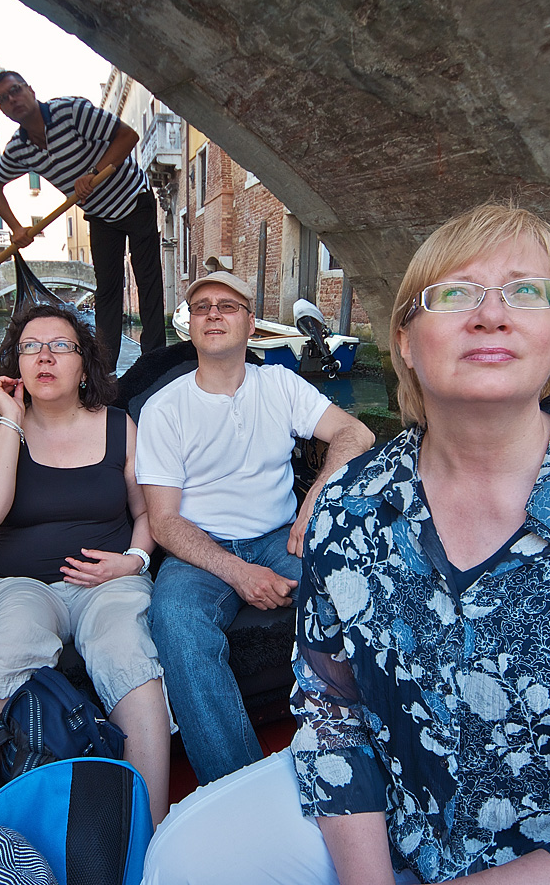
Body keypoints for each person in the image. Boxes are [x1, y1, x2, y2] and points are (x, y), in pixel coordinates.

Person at [142, 203, 550, 884]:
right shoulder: (350, 506)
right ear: (406, 343)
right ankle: (221, 771)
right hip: (214, 554)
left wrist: (310, 501)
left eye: (526, 291)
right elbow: (334, 711)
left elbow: (351, 432)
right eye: (454, 294)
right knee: (184, 847)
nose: (491, 314)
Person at [136, 271, 375, 785]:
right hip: (199, 550)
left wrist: (315, 496)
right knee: (175, 619)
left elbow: (355, 433)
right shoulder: (164, 408)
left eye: (227, 305)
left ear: (250, 324)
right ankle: (237, 785)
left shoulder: (280, 384)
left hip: (279, 536)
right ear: (190, 326)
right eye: (202, 307)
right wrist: (239, 573)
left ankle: (369, 747)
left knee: (354, 587)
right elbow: (164, 521)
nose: (213, 313)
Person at [0, 302, 170, 825]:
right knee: (5, 648)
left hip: (109, 584)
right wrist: (12, 422)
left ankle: (152, 831)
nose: (44, 357)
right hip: (23, 585)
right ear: (17, 365)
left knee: (126, 651)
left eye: (60, 347)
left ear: (83, 366)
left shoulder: (118, 426)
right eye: (31, 347)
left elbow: (147, 513)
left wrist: (133, 561)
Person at [0, 72, 165, 368]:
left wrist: (93, 173)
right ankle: (104, 369)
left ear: (30, 90)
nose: (12, 99)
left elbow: (128, 136)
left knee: (148, 283)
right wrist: (16, 228)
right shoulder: (19, 148)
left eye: (15, 90)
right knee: (107, 292)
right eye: (4, 98)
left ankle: (155, 363)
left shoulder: (70, 112)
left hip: (134, 198)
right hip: (100, 214)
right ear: (2, 109)